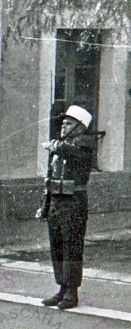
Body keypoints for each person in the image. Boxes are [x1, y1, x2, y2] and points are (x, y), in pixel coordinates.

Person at [37, 105, 96, 310]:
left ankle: (72, 291)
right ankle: (62, 287)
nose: (63, 126)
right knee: (57, 246)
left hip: (74, 203)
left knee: (72, 247)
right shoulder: (60, 146)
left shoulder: (85, 144)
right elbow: (50, 179)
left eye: (69, 123)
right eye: (63, 123)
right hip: (57, 202)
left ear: (79, 127)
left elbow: (74, 153)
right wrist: (45, 205)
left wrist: (56, 146)